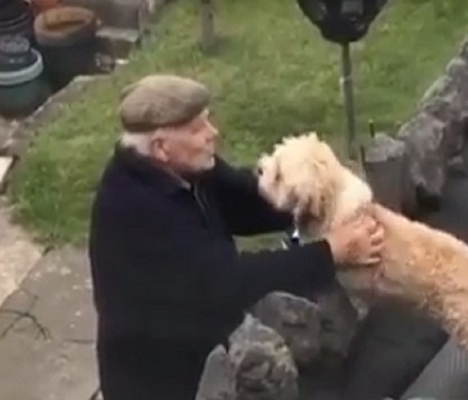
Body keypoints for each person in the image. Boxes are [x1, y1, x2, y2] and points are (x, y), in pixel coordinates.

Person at [88, 74, 385, 400]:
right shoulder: (134, 209)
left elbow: (246, 201)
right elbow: (228, 280)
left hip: (198, 348)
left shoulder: (185, 170)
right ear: (161, 147)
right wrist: (330, 253)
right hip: (160, 382)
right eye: (197, 128)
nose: (212, 133)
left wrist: (313, 198)